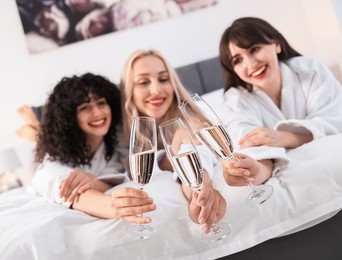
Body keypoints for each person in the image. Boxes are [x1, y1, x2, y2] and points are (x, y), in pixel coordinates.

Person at [218, 17, 342, 186]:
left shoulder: (311, 69)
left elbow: (335, 118)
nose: (251, 64)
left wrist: (288, 137)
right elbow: (247, 144)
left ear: (276, 44)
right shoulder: (236, 100)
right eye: (238, 60)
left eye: (254, 49)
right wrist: (255, 170)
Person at [119, 49, 227, 234]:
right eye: (144, 82)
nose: (156, 90)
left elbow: (195, 152)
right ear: (129, 91)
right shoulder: (121, 138)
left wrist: (201, 190)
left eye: (163, 79)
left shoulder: (191, 122)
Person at [30, 73, 157, 222]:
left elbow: (112, 177)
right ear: (69, 118)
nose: (97, 113)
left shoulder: (114, 145)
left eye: (101, 103)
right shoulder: (53, 161)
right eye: (85, 108)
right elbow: (69, 192)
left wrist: (94, 182)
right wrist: (114, 207)